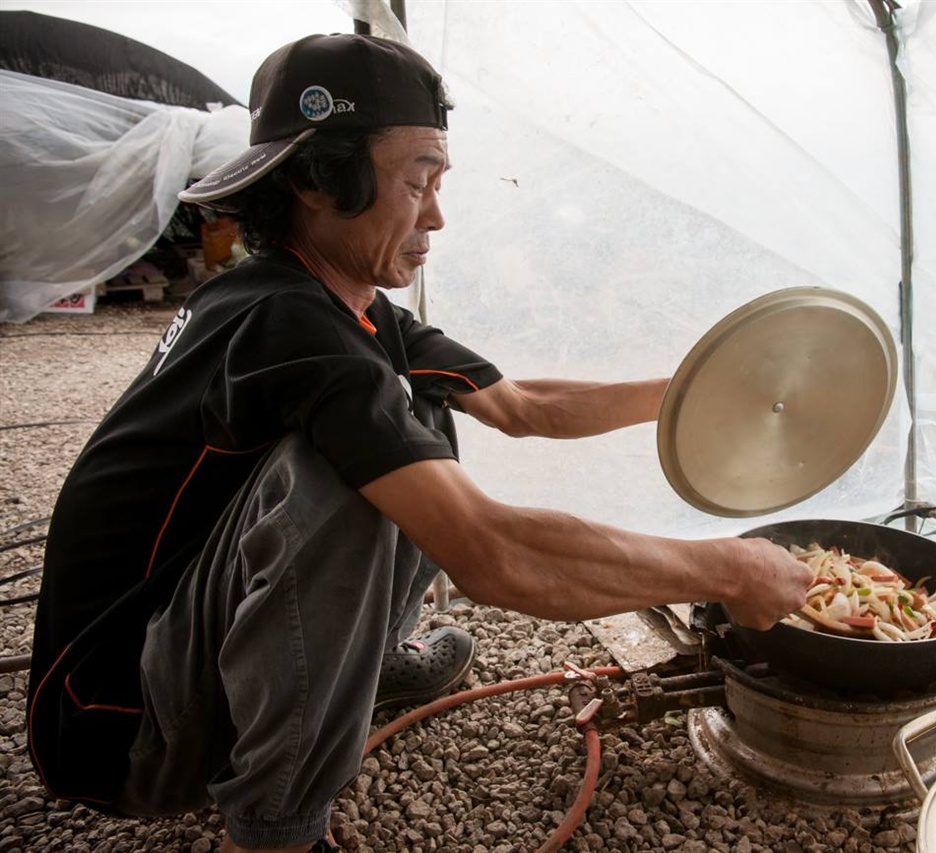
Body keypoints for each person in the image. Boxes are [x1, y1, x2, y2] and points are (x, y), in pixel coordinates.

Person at [25, 33, 812, 853]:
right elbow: (492, 553)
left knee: (423, 414)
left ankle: (359, 667)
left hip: (178, 655)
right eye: (417, 181)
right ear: (318, 179)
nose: (437, 213)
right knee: (348, 478)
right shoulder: (284, 324)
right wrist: (728, 568)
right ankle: (273, 830)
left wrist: (700, 394)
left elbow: (521, 404)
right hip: (119, 726)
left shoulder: (338, 301)